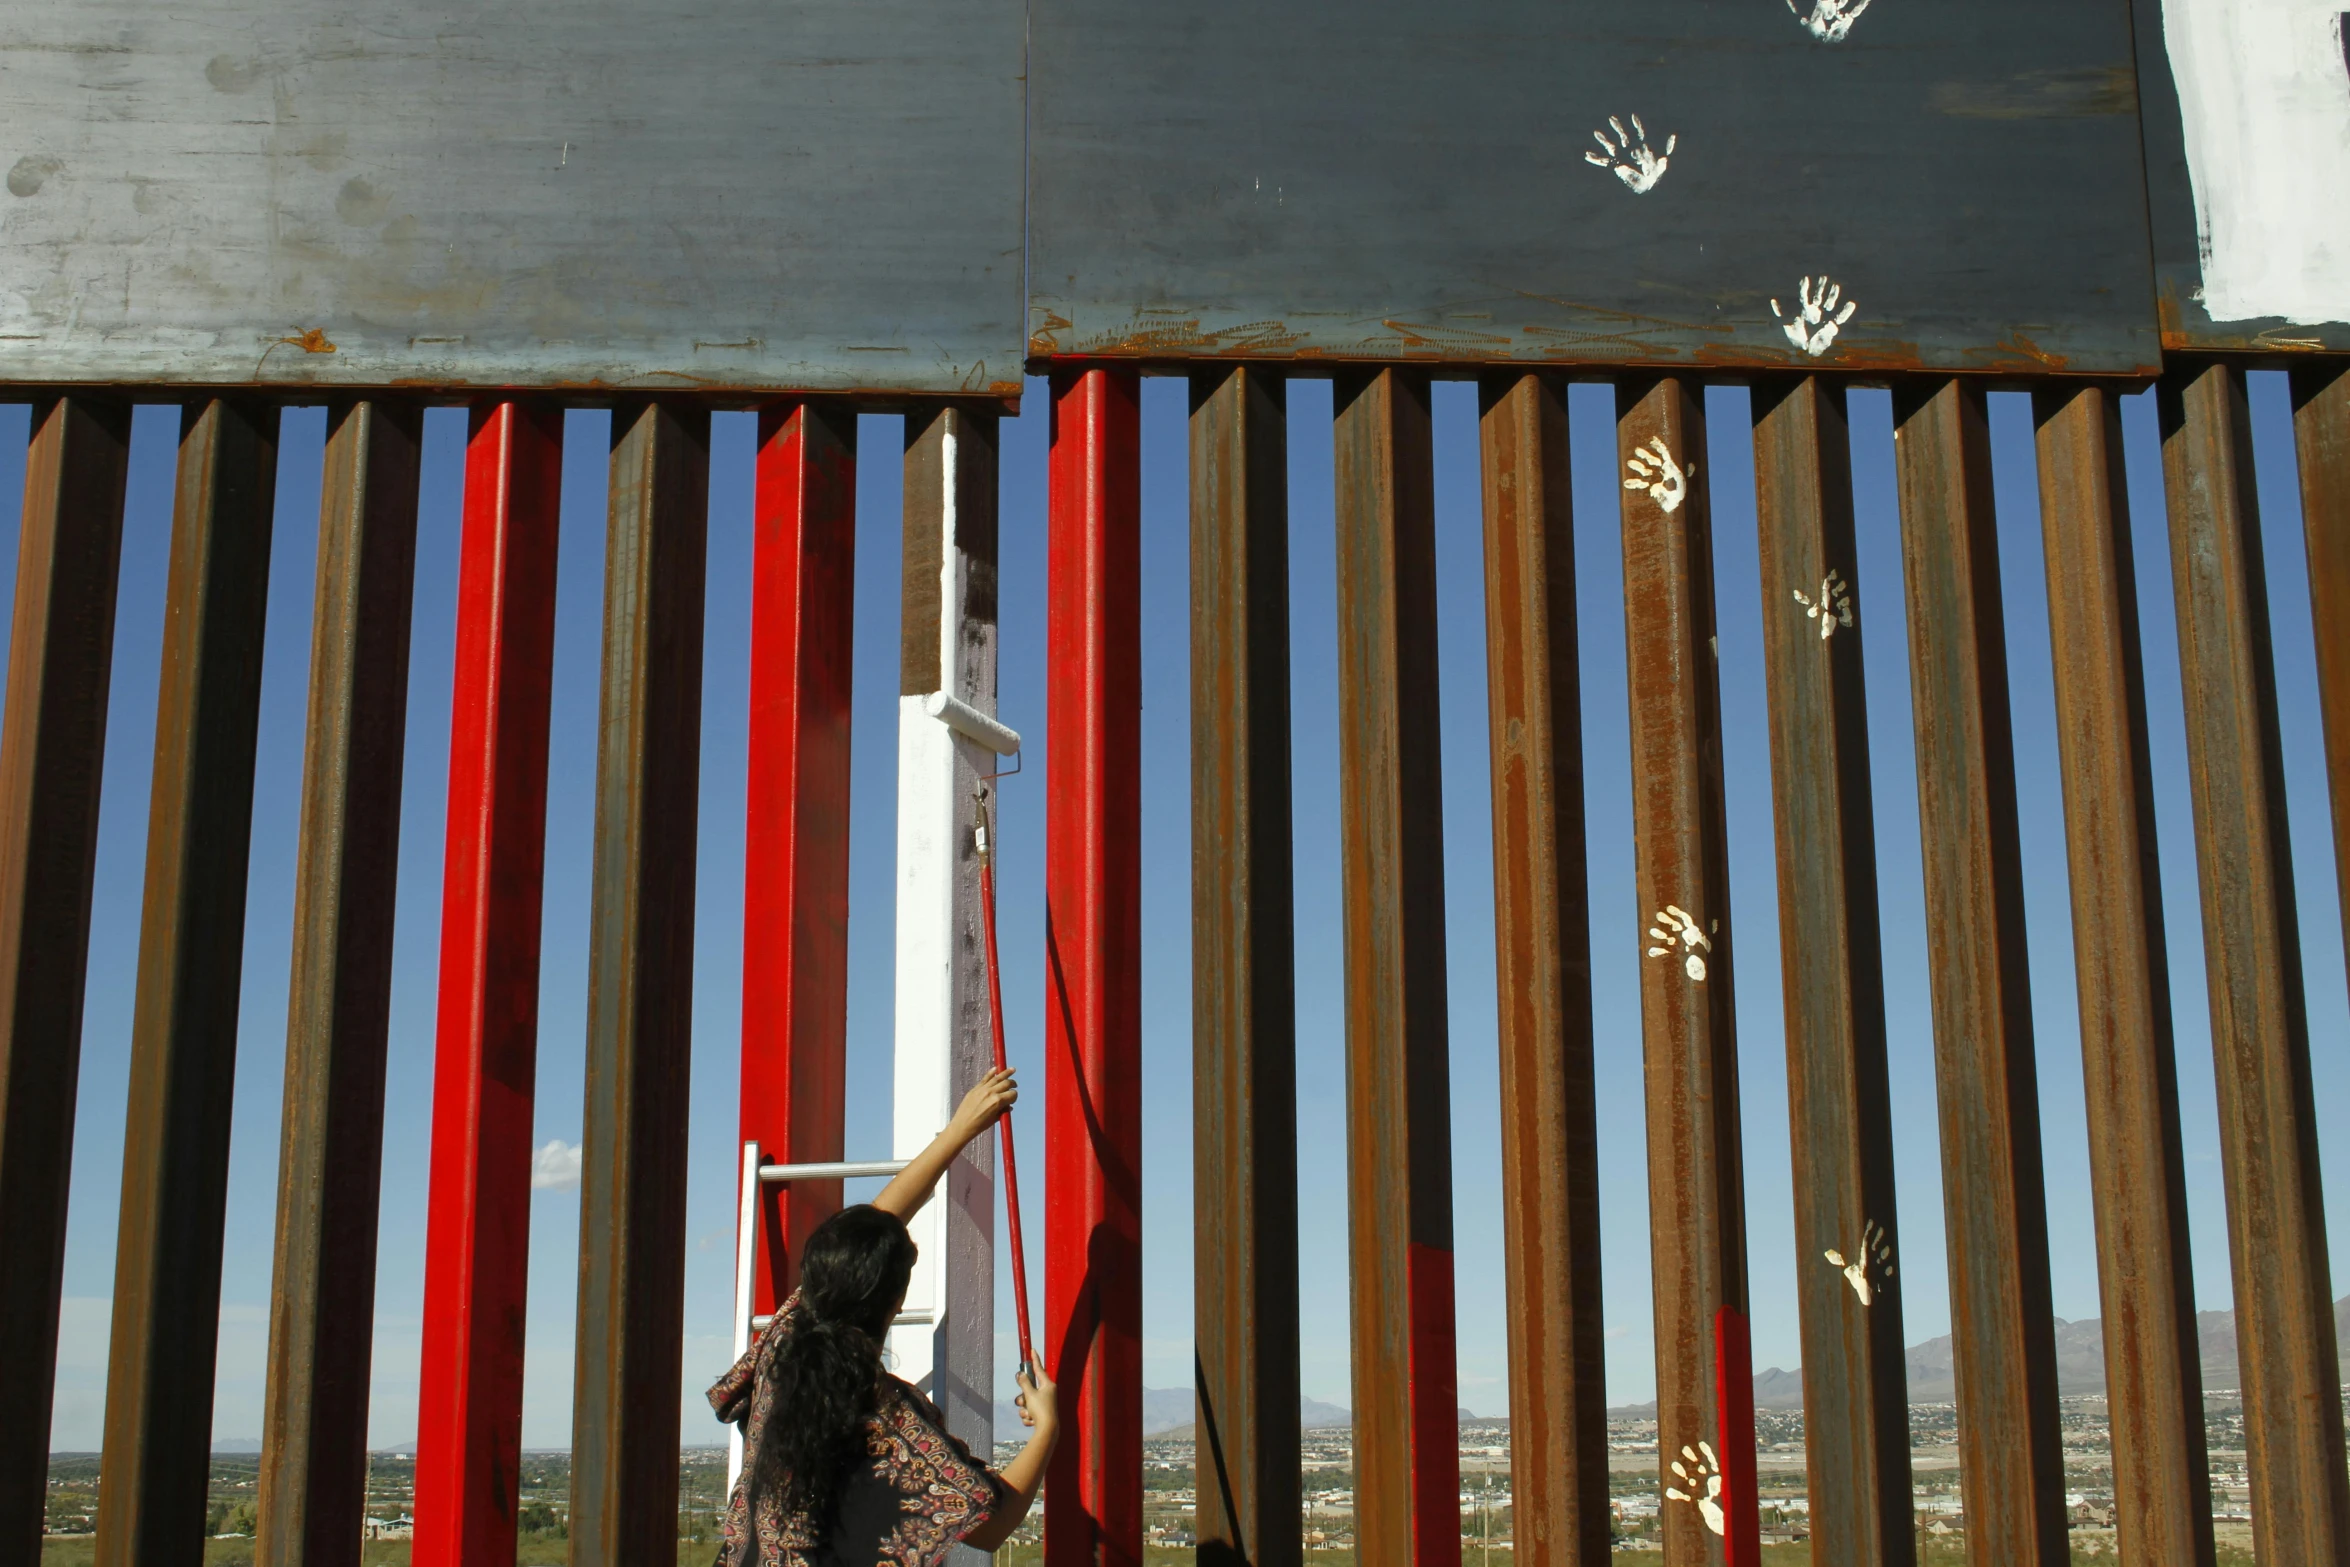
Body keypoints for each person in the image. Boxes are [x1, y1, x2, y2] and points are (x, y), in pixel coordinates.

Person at [709, 1067, 1057, 1567]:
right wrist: (1047, 1428)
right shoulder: (884, 1417)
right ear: (894, 1303)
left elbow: (874, 1230)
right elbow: (991, 1524)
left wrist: (958, 1132)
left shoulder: (786, 1342)